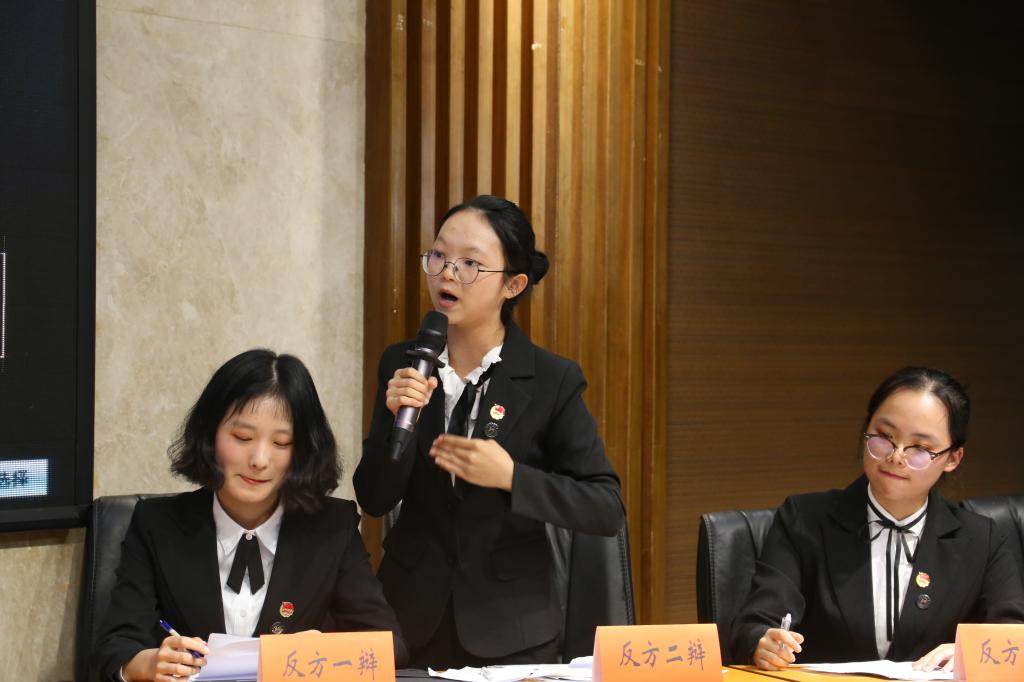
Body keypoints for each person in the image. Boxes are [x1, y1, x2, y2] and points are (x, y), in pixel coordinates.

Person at [354, 195, 626, 667]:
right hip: (408, 620)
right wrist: (398, 422)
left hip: (513, 630)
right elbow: (374, 498)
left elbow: (605, 507)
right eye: (439, 256)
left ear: (512, 284)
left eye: (470, 264)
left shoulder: (551, 380)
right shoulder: (403, 363)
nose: (447, 274)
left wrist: (512, 478)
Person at [94, 349, 408, 682]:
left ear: (303, 451)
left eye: (282, 443)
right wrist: (148, 663)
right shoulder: (157, 524)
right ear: (210, 434)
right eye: (242, 437)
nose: (259, 460)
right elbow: (115, 647)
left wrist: (320, 654)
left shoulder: (332, 528)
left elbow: (391, 646)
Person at [730, 366, 1024, 672]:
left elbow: (1014, 637)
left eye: (920, 448)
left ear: (952, 458)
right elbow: (754, 623)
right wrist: (762, 642)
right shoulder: (803, 520)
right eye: (884, 437)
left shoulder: (983, 540)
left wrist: (969, 651)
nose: (896, 457)